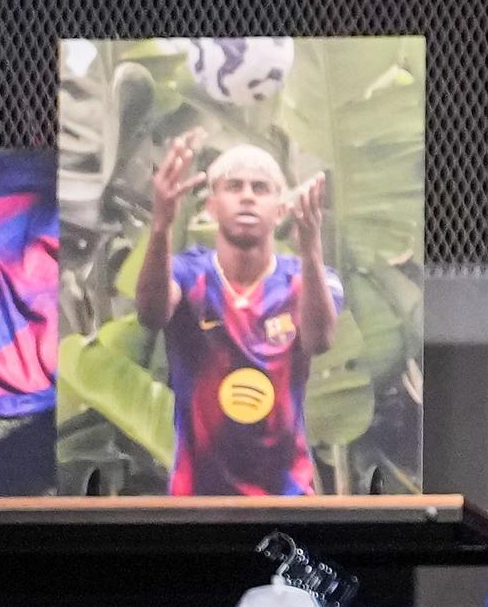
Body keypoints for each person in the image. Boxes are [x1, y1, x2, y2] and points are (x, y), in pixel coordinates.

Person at [134, 133, 338, 496]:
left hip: (287, 498)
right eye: (234, 186)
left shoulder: (303, 279)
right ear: (212, 207)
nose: (247, 196)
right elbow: (151, 314)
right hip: (197, 500)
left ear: (280, 210)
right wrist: (161, 225)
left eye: (260, 188)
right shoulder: (188, 273)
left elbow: (319, 340)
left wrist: (311, 252)